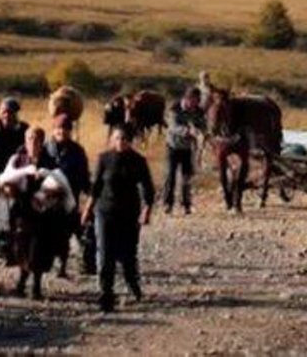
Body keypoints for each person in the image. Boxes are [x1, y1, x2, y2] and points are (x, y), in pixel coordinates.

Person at [83, 123, 154, 313]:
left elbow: (148, 187)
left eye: (124, 139)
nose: (120, 142)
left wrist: (147, 209)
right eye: (117, 138)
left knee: (128, 254)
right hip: (105, 211)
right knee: (105, 253)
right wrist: (87, 209)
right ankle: (106, 294)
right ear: (111, 139)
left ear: (130, 141)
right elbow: (96, 186)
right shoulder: (104, 159)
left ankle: (132, 283)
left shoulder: (138, 161)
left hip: (129, 213)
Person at [0, 127, 61, 299]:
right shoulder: (18, 161)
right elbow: (4, 180)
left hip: (42, 213)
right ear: (25, 141)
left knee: (38, 249)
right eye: (29, 138)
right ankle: (22, 283)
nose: (33, 142)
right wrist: (9, 189)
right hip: (20, 211)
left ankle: (36, 287)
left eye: (36, 139)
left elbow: (57, 186)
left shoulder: (49, 162)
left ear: (42, 142)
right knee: (21, 248)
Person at [44, 114, 92, 275]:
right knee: (49, 234)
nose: (62, 132)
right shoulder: (45, 149)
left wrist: (92, 195)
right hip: (47, 201)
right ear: (53, 130)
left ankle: (67, 265)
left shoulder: (77, 151)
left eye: (65, 129)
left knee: (67, 234)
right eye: (58, 129)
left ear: (70, 131)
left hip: (70, 200)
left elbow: (84, 177)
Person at [163, 87, 205, 215]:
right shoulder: (174, 108)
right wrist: (188, 131)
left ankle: (186, 204)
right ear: (187, 99)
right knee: (171, 175)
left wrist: (202, 131)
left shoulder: (198, 111)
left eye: (197, 101)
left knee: (187, 176)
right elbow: (173, 127)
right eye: (193, 101)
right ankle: (168, 204)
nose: (195, 104)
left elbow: (202, 124)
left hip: (187, 148)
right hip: (173, 147)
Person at [0, 97, 29, 172]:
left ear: (16, 114)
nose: (7, 115)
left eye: (10, 112)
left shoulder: (24, 129)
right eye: (4, 112)